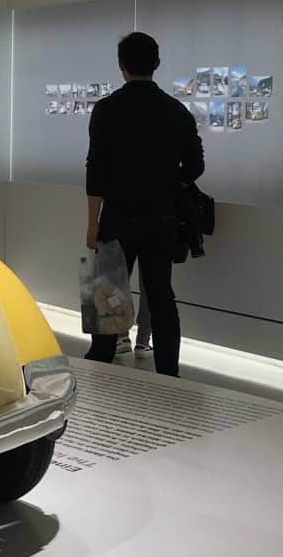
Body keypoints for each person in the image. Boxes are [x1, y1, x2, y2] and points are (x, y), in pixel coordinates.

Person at [85, 31, 204, 378]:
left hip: (117, 217)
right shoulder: (176, 111)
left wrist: (93, 223)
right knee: (162, 295)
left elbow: (96, 170)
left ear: (122, 66)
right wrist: (171, 182)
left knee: (108, 294)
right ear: (157, 64)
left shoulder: (107, 110)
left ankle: (102, 363)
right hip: (161, 218)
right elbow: (196, 165)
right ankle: (168, 371)